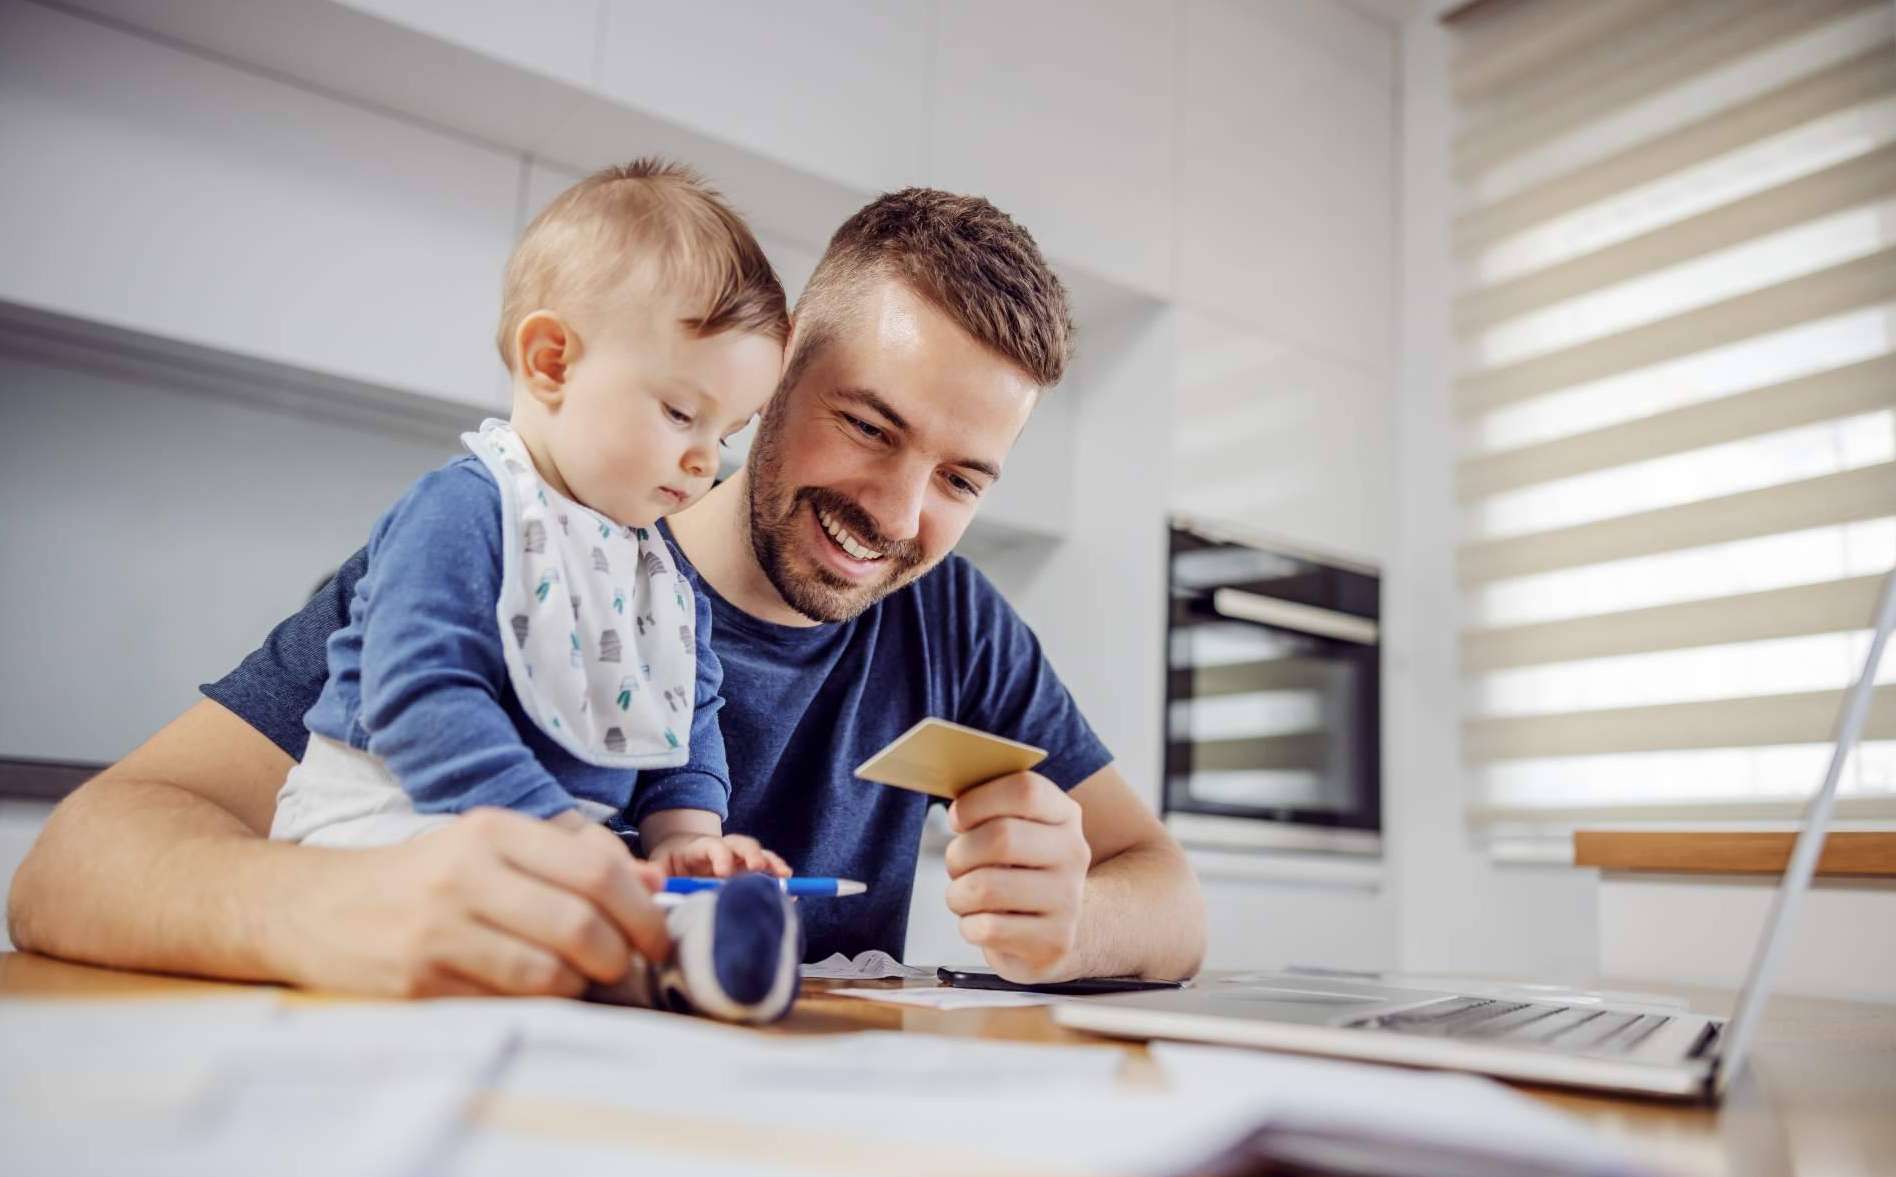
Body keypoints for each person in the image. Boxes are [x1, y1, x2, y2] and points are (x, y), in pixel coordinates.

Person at [9, 184, 1206, 997]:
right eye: (868, 426)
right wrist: (325, 908)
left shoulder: (956, 628)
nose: (898, 515)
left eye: (961, 477)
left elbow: (1169, 895)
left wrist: (1072, 920)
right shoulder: (500, 545)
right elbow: (72, 866)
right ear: (772, 373)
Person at [256, 159, 799, 1020]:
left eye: (726, 433)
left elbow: (682, 725)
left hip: (547, 852)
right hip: (382, 837)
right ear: (551, 362)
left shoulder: (660, 574)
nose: (708, 461)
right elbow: (419, 699)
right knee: (516, 927)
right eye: (680, 414)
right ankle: (665, 962)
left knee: (583, 933)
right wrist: (556, 833)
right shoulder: (466, 511)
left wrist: (689, 843)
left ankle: (689, 957)